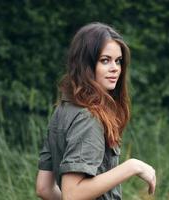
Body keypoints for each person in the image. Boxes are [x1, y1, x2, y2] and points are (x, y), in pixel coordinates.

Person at [36, 22, 156, 200]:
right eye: (105, 60)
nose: (115, 68)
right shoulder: (89, 118)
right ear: (86, 65)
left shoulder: (63, 110)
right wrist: (132, 166)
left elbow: (44, 188)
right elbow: (72, 194)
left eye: (118, 61)